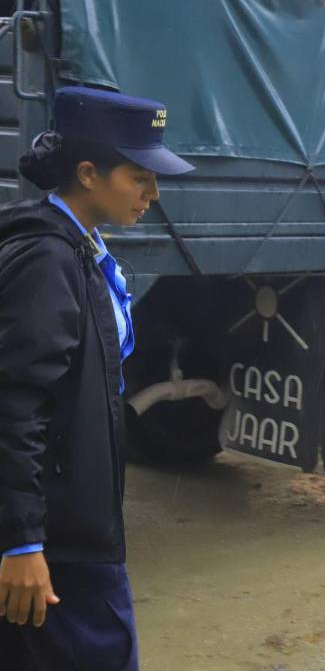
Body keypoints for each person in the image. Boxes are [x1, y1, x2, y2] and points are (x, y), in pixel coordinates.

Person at [0, 86, 194, 670]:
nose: (153, 194)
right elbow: (15, 404)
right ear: (88, 173)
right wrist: (22, 542)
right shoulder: (49, 258)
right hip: (63, 542)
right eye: (140, 177)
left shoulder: (81, 246)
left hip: (76, 524)